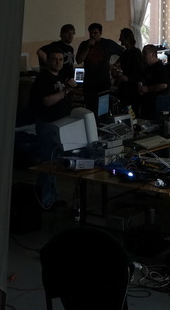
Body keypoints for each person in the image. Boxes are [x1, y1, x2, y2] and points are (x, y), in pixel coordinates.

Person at [29, 49, 76, 208]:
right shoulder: (43, 78)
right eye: (54, 59)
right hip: (47, 124)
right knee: (47, 162)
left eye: (61, 59)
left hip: (59, 125)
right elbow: (47, 101)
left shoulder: (60, 77)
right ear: (48, 60)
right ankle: (46, 200)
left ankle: (53, 197)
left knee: (54, 162)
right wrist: (66, 90)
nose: (58, 62)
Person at [76, 23, 123, 112]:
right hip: (89, 84)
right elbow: (79, 60)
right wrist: (88, 47)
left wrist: (116, 65)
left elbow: (123, 52)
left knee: (103, 109)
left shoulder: (108, 43)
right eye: (91, 33)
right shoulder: (84, 44)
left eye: (95, 33)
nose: (93, 35)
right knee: (90, 109)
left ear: (100, 33)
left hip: (103, 83)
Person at [113, 28, 143, 113]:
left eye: (121, 37)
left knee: (132, 112)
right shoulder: (125, 53)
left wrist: (128, 78)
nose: (119, 39)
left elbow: (140, 72)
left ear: (128, 38)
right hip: (124, 89)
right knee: (125, 111)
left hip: (132, 90)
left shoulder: (136, 53)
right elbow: (117, 65)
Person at [138, 44, 169, 120]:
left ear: (151, 54)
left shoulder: (160, 68)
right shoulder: (146, 68)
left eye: (145, 53)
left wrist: (148, 89)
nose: (143, 56)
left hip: (156, 104)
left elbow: (163, 85)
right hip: (146, 103)